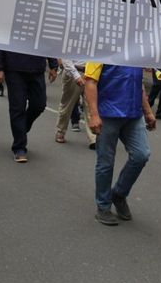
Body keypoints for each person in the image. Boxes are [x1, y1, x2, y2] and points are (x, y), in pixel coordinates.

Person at [84, 62, 155, 226]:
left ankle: (119, 194)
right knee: (106, 162)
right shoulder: (101, 50)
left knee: (141, 155)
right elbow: (90, 82)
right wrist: (94, 115)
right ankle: (103, 206)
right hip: (108, 113)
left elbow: (139, 85)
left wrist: (148, 112)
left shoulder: (136, 51)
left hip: (133, 114)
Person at [0, 50, 58, 162]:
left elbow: (47, 41)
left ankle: (21, 129)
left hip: (37, 68)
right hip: (14, 68)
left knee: (39, 104)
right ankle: (19, 147)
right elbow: (0, 40)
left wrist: (53, 64)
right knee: (17, 107)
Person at [54, 58, 96, 148]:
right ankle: (60, 131)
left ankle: (93, 137)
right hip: (74, 71)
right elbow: (66, 57)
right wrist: (76, 75)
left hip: (92, 73)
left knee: (90, 105)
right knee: (68, 104)